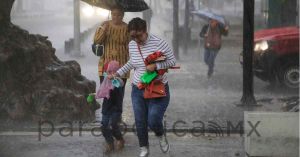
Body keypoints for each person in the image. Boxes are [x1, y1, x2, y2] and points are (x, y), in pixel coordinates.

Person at [108, 17, 176, 157]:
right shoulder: (132, 45)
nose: (136, 40)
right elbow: (132, 62)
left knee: (153, 119)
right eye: (133, 36)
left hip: (157, 89)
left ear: (145, 31)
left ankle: (160, 134)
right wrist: (117, 73)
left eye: (139, 35)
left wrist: (156, 66)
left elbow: (172, 61)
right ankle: (144, 149)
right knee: (140, 121)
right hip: (138, 89)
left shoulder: (159, 43)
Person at [93, 6, 130, 154]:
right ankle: (108, 121)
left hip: (121, 69)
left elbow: (131, 46)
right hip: (106, 68)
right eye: (113, 14)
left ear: (122, 15)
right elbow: (96, 41)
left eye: (119, 15)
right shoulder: (105, 25)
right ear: (111, 14)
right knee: (106, 92)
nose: (116, 17)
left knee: (118, 95)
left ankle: (115, 120)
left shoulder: (127, 28)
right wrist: (104, 29)